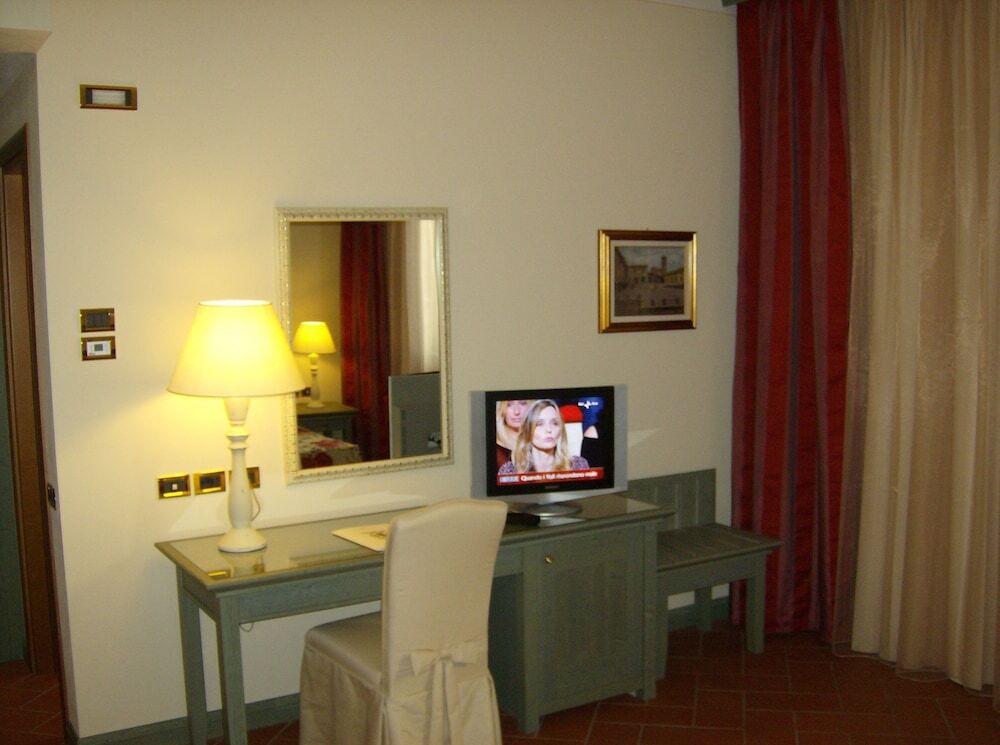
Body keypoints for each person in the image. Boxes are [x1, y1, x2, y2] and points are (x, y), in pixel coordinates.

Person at [498, 399, 589, 475]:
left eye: (555, 423)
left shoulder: (577, 466)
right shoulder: (510, 471)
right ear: (528, 431)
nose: (549, 429)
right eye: (539, 424)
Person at [495, 399, 531, 468]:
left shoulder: (540, 444)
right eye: (509, 405)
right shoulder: (497, 450)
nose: (517, 412)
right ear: (501, 410)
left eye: (522, 403)